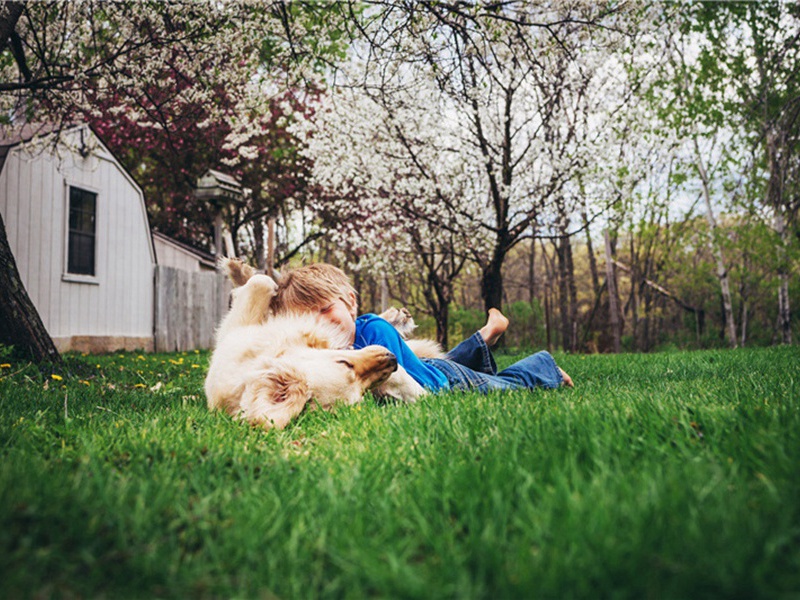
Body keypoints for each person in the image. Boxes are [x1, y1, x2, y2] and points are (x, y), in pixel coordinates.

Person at [271, 263, 574, 394]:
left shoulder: (373, 330)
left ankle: (544, 369)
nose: (321, 322)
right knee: (445, 360)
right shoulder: (316, 352)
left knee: (499, 387)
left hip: (442, 383)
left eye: (326, 309)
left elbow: (400, 388)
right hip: (430, 367)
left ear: (351, 302)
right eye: (309, 319)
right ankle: (486, 335)